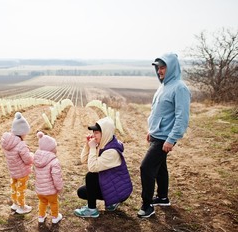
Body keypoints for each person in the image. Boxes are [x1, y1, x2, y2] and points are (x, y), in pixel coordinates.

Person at [138, 53, 191, 218]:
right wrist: (151, 131)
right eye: (158, 68)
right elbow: (158, 112)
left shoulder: (179, 88)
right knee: (160, 166)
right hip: (157, 134)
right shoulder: (163, 86)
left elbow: (182, 117)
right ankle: (162, 197)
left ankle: (147, 206)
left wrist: (171, 139)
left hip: (165, 137)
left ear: (172, 68)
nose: (159, 71)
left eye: (163, 67)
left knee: (146, 168)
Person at [74, 116, 133, 218]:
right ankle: (111, 202)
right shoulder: (104, 144)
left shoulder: (112, 152)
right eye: (93, 132)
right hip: (109, 182)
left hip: (119, 190)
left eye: (96, 133)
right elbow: (84, 160)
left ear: (105, 133)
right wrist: (87, 145)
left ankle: (92, 210)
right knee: (82, 192)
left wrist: (93, 148)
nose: (93, 135)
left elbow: (92, 168)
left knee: (91, 176)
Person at [1, 112, 34, 214]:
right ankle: (22, 207)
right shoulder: (21, 145)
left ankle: (15, 203)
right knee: (21, 189)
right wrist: (32, 155)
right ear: (22, 132)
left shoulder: (8, 143)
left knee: (14, 187)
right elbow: (28, 159)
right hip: (22, 172)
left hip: (13, 171)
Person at [34, 131, 64, 224]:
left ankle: (41, 216)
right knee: (53, 203)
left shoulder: (37, 159)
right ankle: (55, 217)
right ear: (51, 149)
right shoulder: (54, 161)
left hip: (40, 189)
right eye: (55, 147)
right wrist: (59, 188)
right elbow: (56, 177)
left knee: (42, 202)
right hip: (50, 191)